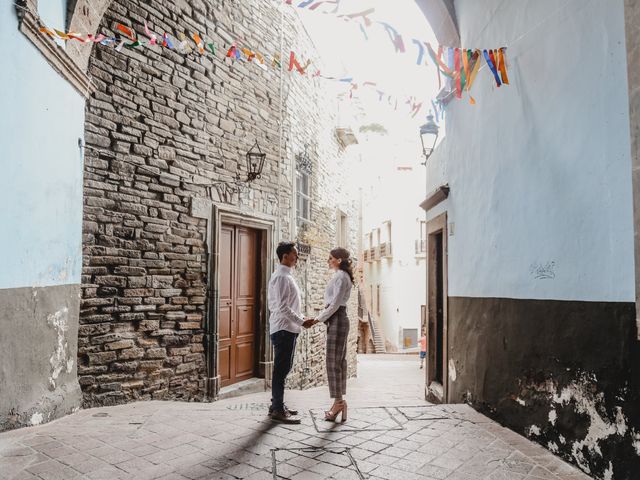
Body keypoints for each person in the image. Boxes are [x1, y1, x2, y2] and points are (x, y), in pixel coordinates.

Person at [268, 242, 315, 424]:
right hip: (283, 329)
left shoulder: (286, 275)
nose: (297, 257)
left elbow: (291, 306)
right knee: (281, 370)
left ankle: (276, 405)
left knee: (283, 369)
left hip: (288, 328)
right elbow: (282, 307)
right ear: (285, 256)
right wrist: (302, 321)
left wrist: (302, 319)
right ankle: (278, 409)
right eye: (294, 254)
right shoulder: (281, 277)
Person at [308, 247, 354, 422]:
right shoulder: (340, 276)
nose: (328, 261)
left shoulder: (342, 277)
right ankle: (339, 402)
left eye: (331, 258)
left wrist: (317, 319)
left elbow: (334, 305)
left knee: (333, 362)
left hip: (337, 319)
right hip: (336, 319)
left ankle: (338, 403)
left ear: (339, 260)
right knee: (337, 362)